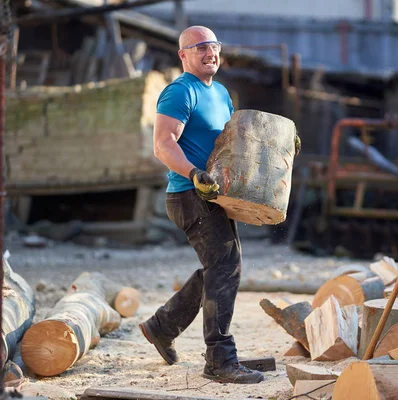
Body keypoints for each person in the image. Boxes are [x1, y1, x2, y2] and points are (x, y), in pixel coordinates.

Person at [138, 25, 265, 384]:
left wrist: (278, 145)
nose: (211, 53)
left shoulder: (221, 92)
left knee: (221, 267)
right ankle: (220, 360)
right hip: (188, 194)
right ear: (183, 55)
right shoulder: (180, 92)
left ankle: (162, 326)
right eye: (201, 48)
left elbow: (229, 141)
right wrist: (194, 173)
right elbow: (163, 144)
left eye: (215, 47)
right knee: (225, 267)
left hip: (213, 194)